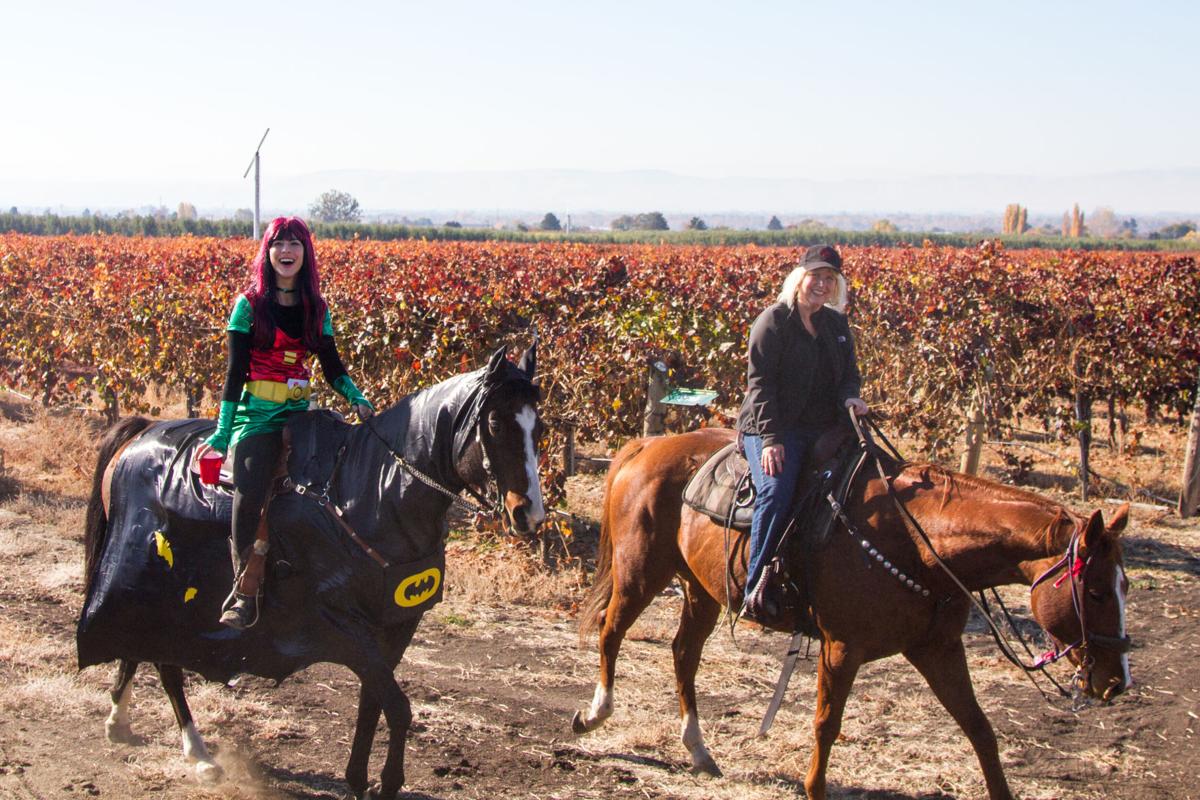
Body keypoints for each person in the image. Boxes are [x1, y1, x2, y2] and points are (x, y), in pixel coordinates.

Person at [194, 216, 374, 629]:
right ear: (268, 252)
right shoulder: (249, 306)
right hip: (256, 417)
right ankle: (244, 590)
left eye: (295, 243)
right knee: (252, 488)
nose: (287, 251)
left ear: (306, 253)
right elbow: (234, 373)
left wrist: (356, 397)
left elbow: (332, 367)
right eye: (279, 244)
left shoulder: (317, 308)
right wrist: (223, 433)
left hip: (299, 415)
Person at [735, 244, 868, 621]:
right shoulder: (773, 322)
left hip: (823, 427)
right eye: (817, 276)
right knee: (776, 492)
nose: (822, 285)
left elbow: (848, 377)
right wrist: (772, 440)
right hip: (774, 426)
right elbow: (760, 386)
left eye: (830, 278)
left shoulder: (836, 325)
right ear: (799, 278)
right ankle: (756, 586)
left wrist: (851, 399)